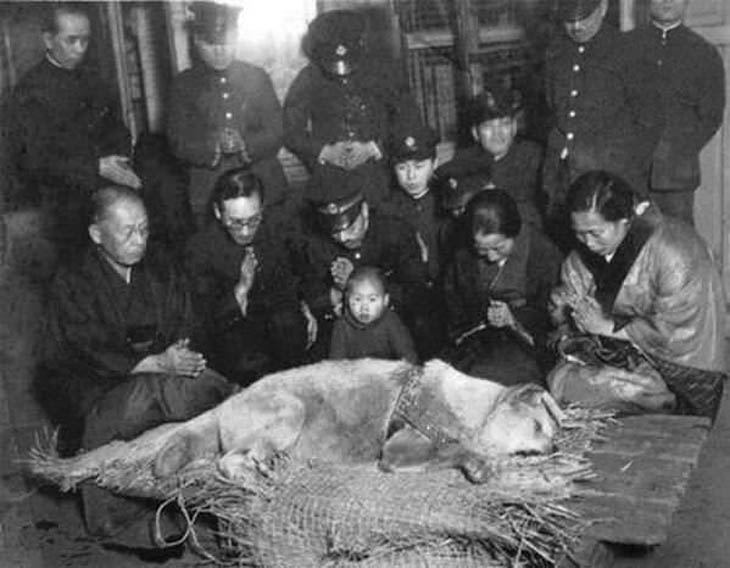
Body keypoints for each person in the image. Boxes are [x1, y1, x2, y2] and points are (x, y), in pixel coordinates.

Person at [38, 186, 231, 554]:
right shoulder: (72, 281)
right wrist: (153, 364)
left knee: (206, 390)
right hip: (97, 391)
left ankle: (242, 419)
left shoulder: (161, 266)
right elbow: (83, 347)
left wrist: (180, 353)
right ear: (97, 234)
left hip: (162, 376)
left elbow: (185, 319)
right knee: (144, 399)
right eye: (127, 231)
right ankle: (118, 522)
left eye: (144, 229)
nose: (138, 240)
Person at [549, 171, 726, 419]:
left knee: (633, 392)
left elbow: (674, 333)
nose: (587, 243)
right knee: (560, 380)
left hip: (682, 370)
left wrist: (606, 326)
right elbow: (570, 299)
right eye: (580, 233)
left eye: (595, 233)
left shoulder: (676, 252)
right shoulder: (594, 249)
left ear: (625, 220)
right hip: (625, 354)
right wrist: (568, 311)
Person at [9, 3, 141, 256]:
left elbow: (117, 129)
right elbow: (34, 160)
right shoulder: (30, 91)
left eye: (85, 40)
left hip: (108, 189)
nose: (79, 49)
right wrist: (97, 167)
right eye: (71, 40)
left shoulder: (94, 80)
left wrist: (121, 162)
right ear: (48, 40)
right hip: (60, 204)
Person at [543, 0, 663, 244]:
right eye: (569, 19)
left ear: (604, 8)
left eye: (584, 17)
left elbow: (651, 122)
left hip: (612, 180)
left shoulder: (629, 51)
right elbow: (552, 110)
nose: (576, 26)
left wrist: (628, 177)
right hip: (563, 179)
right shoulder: (555, 53)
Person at [184, 167, 316, 386]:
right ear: (218, 212)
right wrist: (242, 288)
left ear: (262, 209)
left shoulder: (278, 229)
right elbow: (204, 321)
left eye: (253, 220)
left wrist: (305, 305)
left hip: (278, 329)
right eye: (235, 222)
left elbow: (300, 272)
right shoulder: (199, 250)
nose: (245, 231)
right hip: (233, 338)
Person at [167, 1, 289, 226]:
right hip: (209, 191)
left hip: (265, 186)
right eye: (211, 43)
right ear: (196, 41)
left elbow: (277, 130)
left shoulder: (257, 77)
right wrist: (213, 145)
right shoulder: (183, 85)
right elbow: (177, 141)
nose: (220, 51)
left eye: (228, 42)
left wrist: (246, 144)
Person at [283, 9, 418, 206]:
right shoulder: (309, 77)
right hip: (330, 180)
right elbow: (290, 130)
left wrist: (375, 147)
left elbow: (409, 118)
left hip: (381, 177)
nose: (342, 71)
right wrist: (324, 151)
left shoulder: (383, 73)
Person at [301, 165, 429, 359]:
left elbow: (415, 290)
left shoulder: (394, 232)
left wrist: (358, 284)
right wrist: (337, 292)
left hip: (392, 326)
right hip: (344, 332)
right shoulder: (316, 243)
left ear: (364, 210)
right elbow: (310, 292)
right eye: (335, 231)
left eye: (350, 227)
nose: (343, 237)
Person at [442, 189, 563, 387]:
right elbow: (453, 302)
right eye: (481, 249)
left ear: (514, 232)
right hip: (477, 338)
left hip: (526, 341)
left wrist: (513, 318)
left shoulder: (543, 253)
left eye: (498, 248)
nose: (490, 257)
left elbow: (550, 312)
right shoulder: (463, 254)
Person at [626, 0, 725, 226]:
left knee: (678, 246)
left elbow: (711, 116)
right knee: (629, 245)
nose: (667, 1)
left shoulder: (703, 53)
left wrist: (678, 150)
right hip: (629, 172)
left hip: (676, 178)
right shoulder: (626, 46)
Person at [439, 85, 544, 229]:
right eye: (488, 127)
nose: (497, 134)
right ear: (475, 133)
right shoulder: (464, 159)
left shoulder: (532, 155)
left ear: (514, 127)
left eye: (504, 124)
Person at [330, 266, 418, 364]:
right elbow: (336, 365)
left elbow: (408, 357)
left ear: (385, 300)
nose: (364, 307)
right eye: (357, 299)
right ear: (347, 299)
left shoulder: (391, 321)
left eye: (372, 300)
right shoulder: (341, 326)